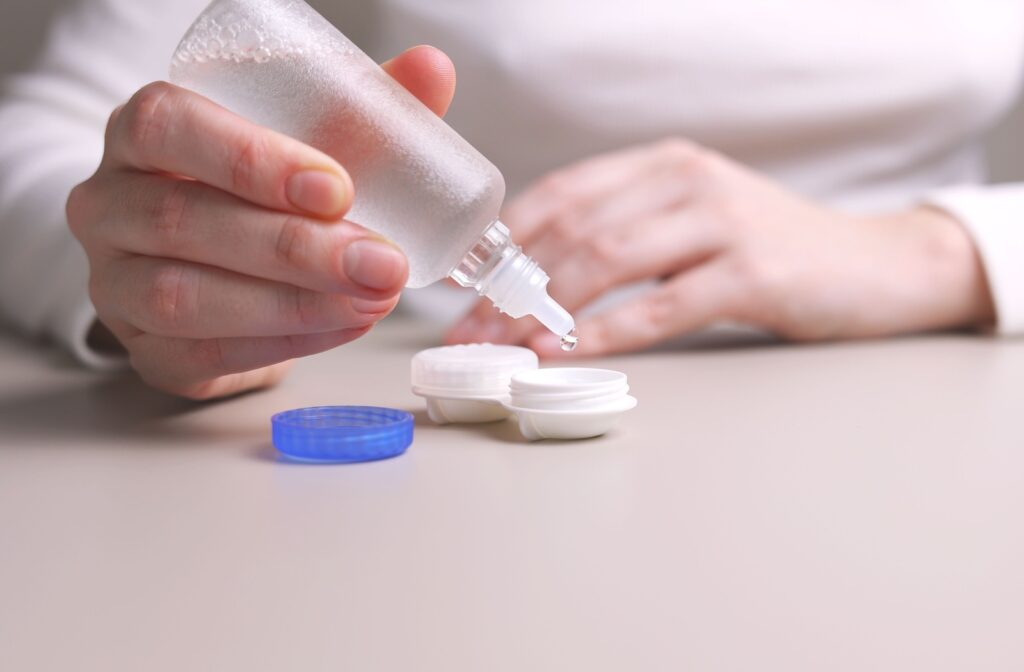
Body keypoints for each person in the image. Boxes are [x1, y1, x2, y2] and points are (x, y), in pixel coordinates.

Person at [0, 0, 1020, 400]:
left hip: (957, 379)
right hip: (397, 360)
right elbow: (43, 129)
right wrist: (156, 276)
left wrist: (950, 251)